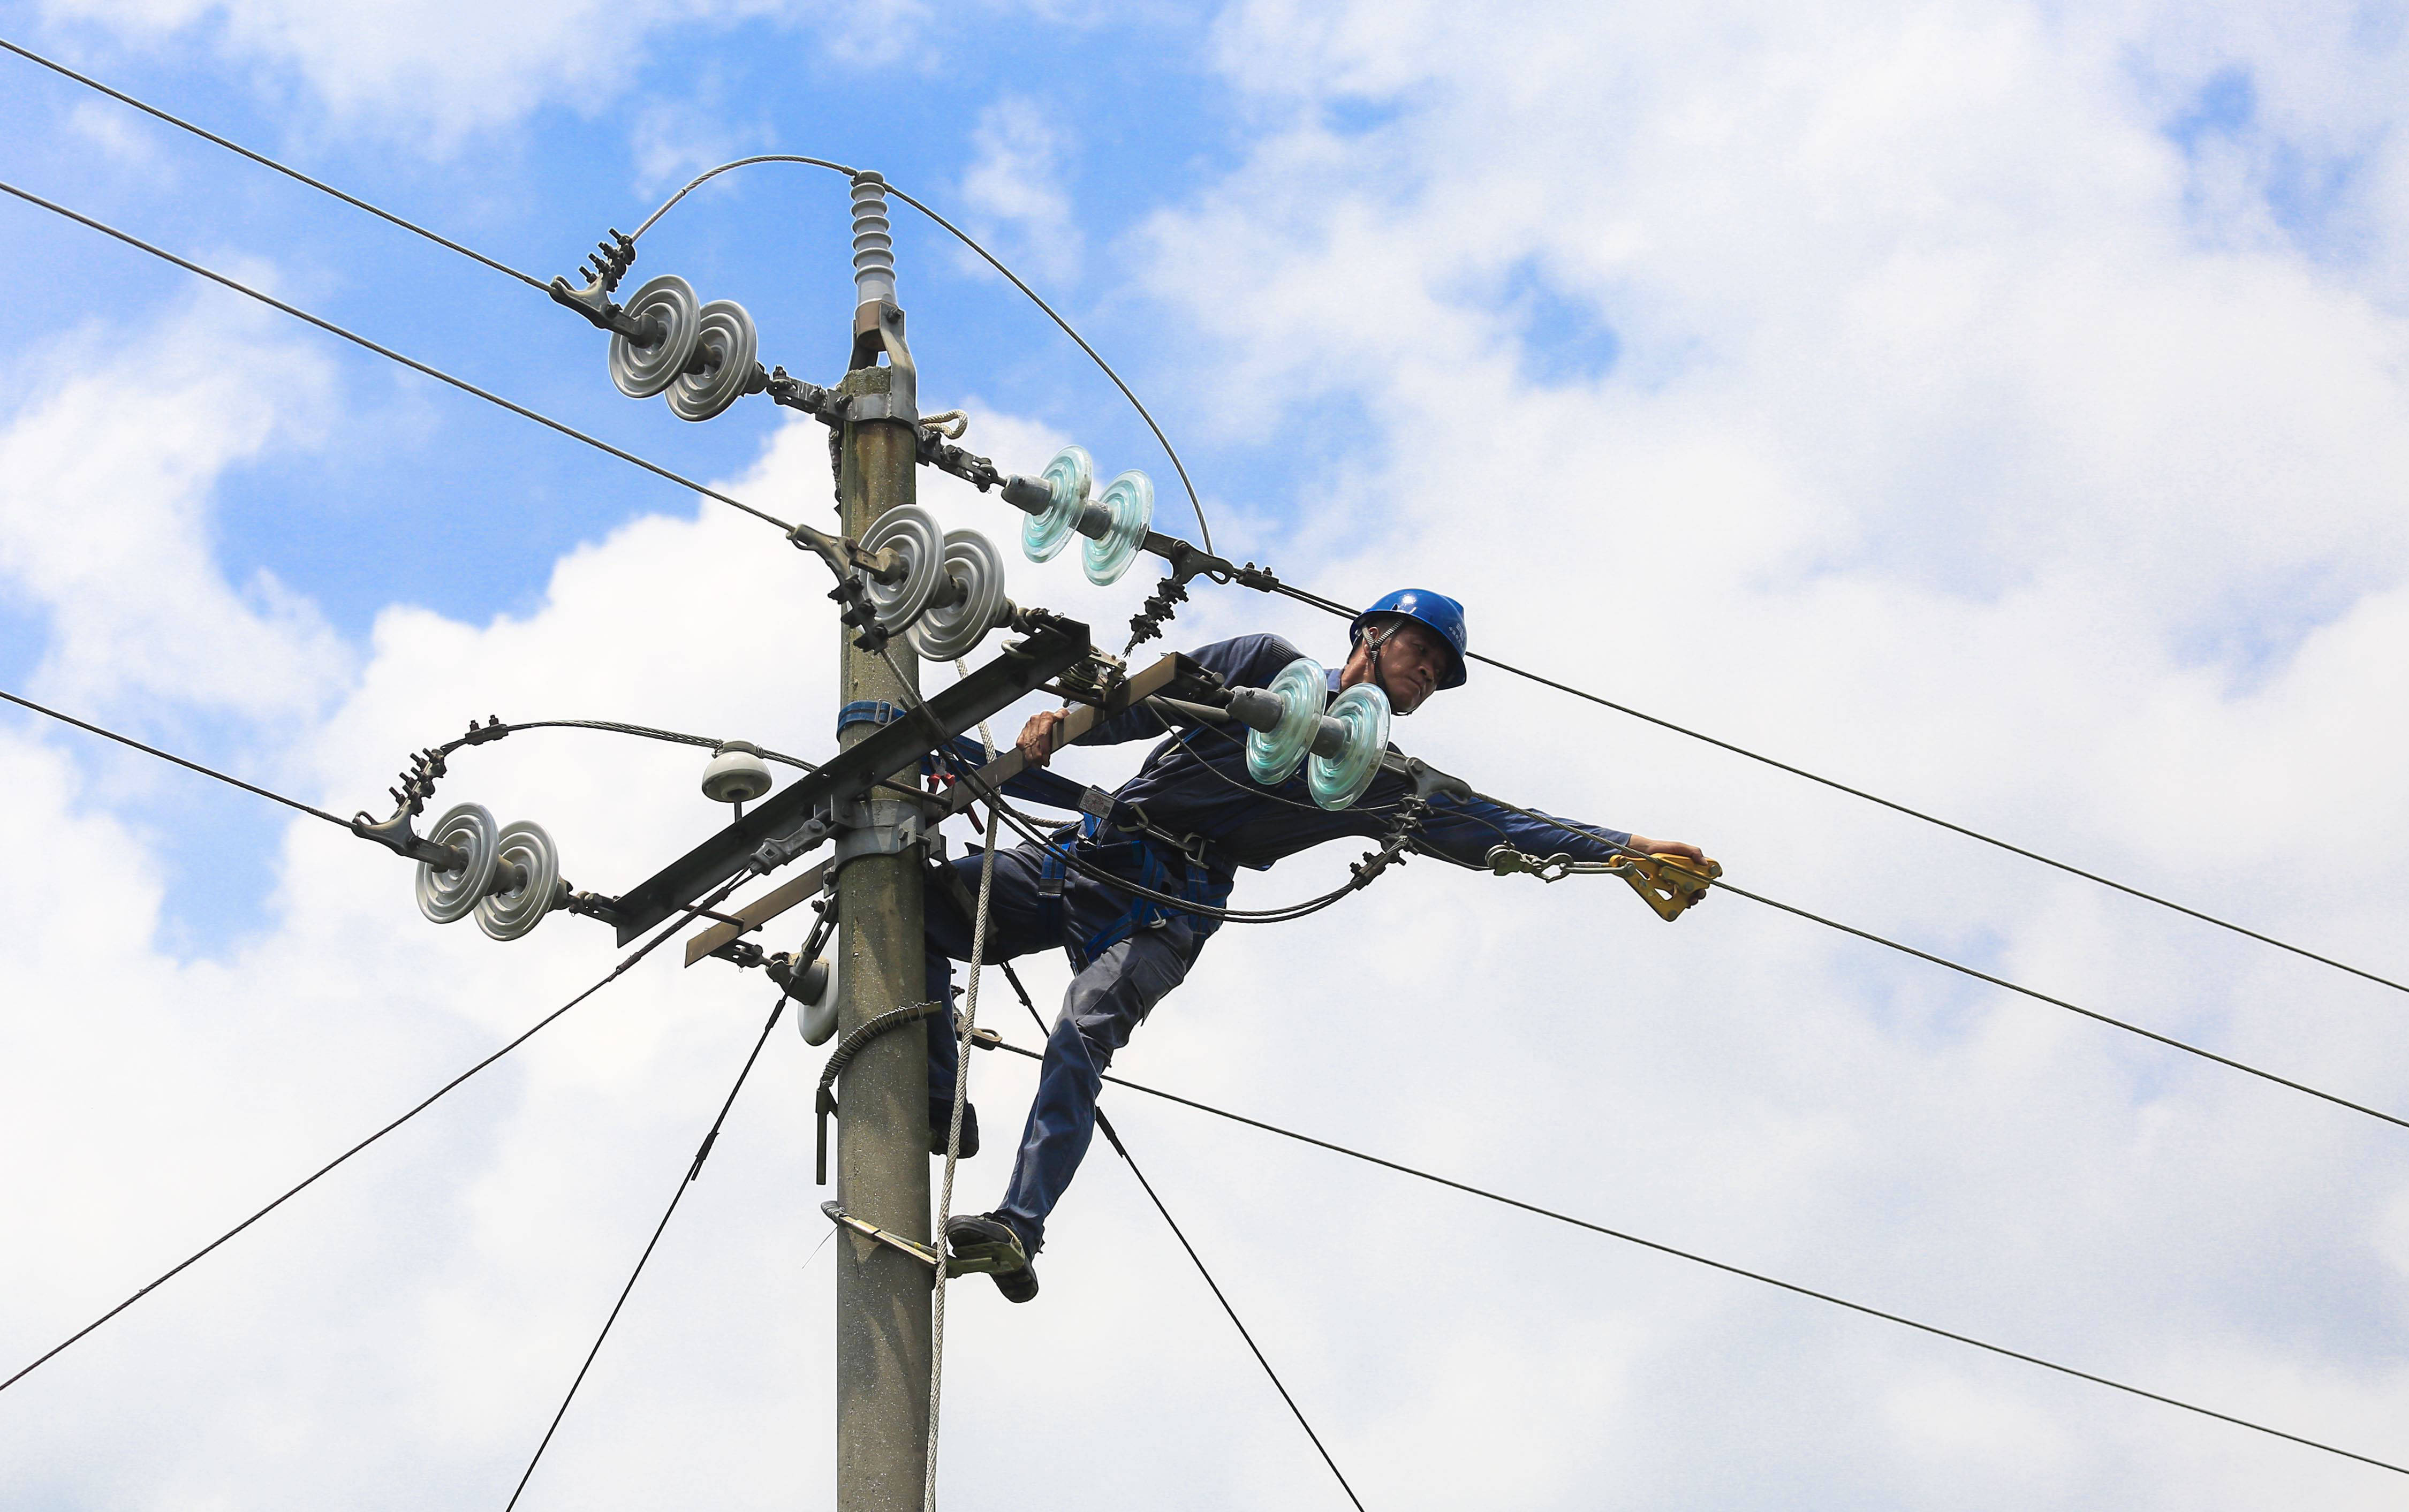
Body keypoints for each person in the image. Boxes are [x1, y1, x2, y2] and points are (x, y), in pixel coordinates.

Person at [922, 590, 1706, 1301]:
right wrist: (1066, 727)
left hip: (1164, 912)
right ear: (1370, 635)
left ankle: (1018, 1228)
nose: (1430, 673)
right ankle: (933, 1098)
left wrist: (1622, 848)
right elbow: (1153, 699)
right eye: (1421, 652)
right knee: (921, 906)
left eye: (1441, 671)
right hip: (1087, 855)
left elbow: (1500, 825)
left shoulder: (1374, 778)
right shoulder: (1265, 667)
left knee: (1080, 1033)